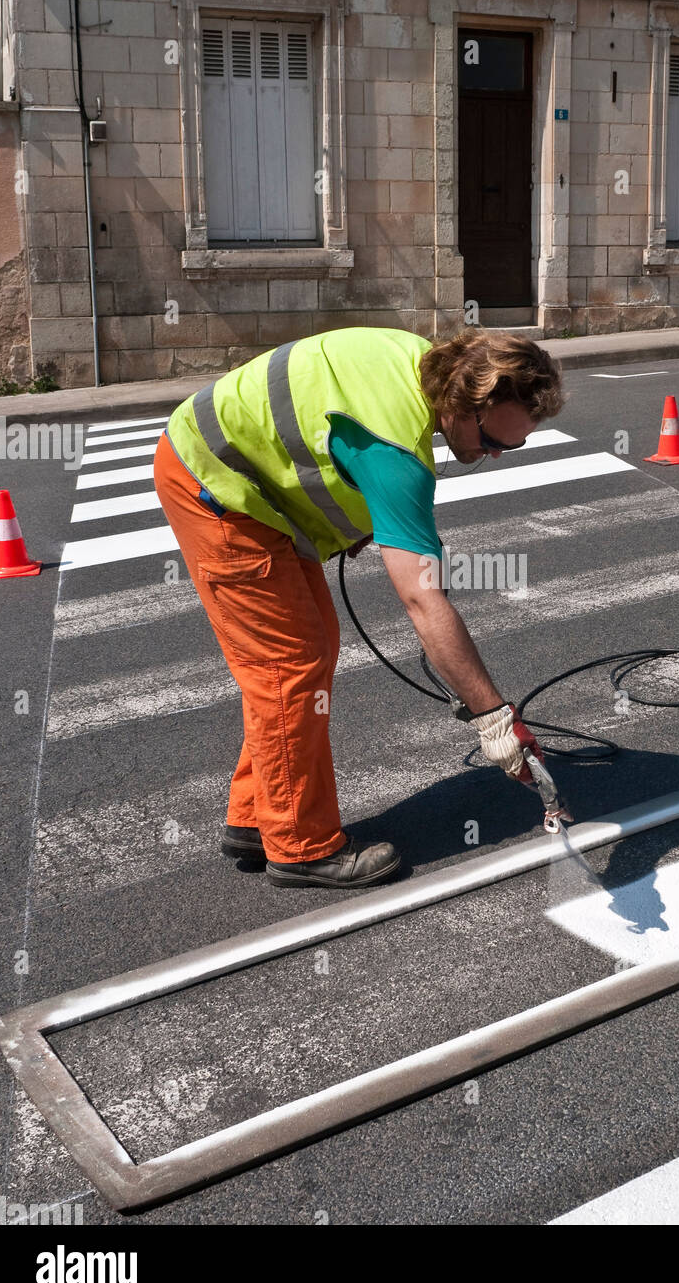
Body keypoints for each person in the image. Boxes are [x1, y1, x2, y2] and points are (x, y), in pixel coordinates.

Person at [154, 325, 565, 888]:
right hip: (215, 486)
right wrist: (493, 716)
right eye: (493, 440)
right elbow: (423, 598)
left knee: (306, 654)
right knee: (288, 666)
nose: (493, 455)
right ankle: (299, 847)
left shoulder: (425, 364)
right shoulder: (396, 450)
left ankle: (256, 817)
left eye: (510, 448)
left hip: (242, 484)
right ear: (468, 402)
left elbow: (320, 431)